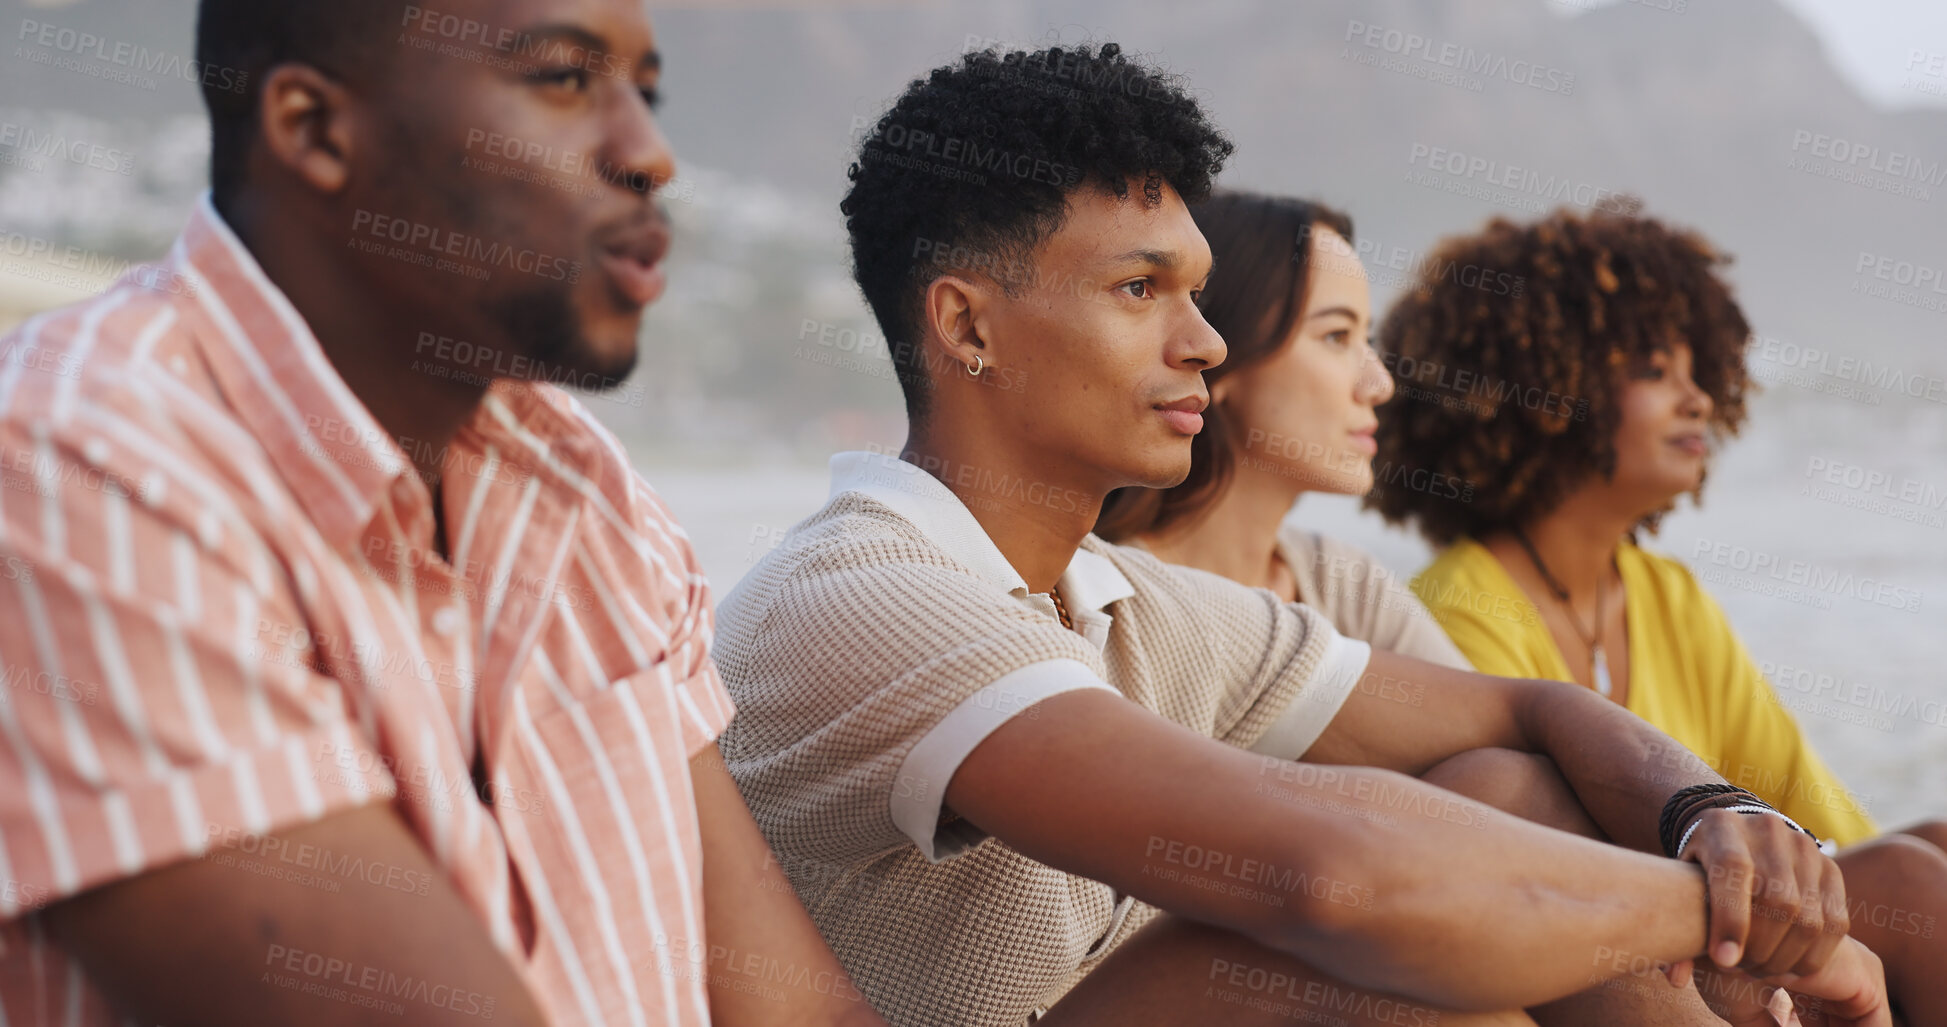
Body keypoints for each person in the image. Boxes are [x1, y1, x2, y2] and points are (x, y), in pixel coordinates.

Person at [711, 42, 1891, 1027]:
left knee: (1498, 791)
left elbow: (1526, 711)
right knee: (1353, 944)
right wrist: (1730, 909)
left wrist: (1718, 820)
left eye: (1199, 294)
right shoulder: (867, 587)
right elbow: (1336, 876)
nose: (1204, 343)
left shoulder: (1115, 595)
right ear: (967, 327)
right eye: (1140, 292)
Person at [0, 1, 885, 1025]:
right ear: (315, 130)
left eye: (645, 92)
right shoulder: (74, 469)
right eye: (563, 79)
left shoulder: (584, 489)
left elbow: (797, 1013)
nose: (650, 154)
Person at [1369, 205, 1947, 1025]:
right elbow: (1521, 865)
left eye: (1697, 368)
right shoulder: (1460, 606)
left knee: (1926, 848)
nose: (1697, 397)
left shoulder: (1663, 594)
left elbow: (1805, 810)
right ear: (1549, 388)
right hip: (1605, 962)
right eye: (1654, 370)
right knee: (1913, 874)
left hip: (1716, 931)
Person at [1095, 190, 1469, 671]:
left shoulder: (1348, 586)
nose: (1379, 384)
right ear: (1220, 352)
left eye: (1367, 338)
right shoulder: (1106, 605)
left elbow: (1513, 723)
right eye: (1336, 336)